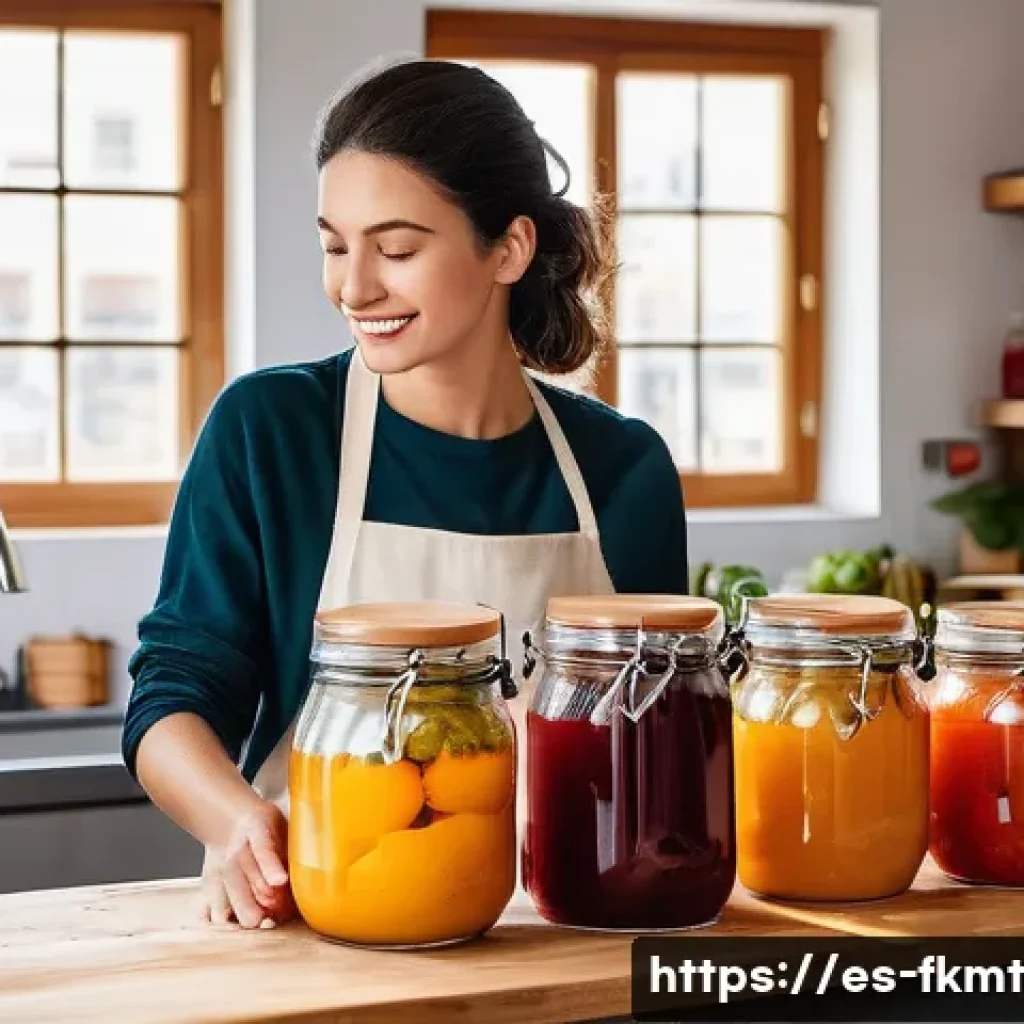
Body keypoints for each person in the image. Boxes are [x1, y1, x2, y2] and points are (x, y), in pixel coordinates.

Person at [122, 58, 689, 931]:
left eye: (396, 249)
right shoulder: (272, 432)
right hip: (322, 918)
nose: (354, 288)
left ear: (509, 246)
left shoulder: (624, 469)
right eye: (334, 246)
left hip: (566, 933)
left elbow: (657, 732)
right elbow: (175, 693)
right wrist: (238, 826)